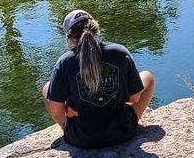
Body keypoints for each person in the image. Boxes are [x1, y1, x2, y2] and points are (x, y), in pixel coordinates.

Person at [42, 9, 155, 149]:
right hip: (123, 132)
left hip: (81, 139)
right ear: (96, 29)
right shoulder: (119, 52)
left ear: (69, 37)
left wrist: (70, 109)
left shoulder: (65, 62)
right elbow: (135, 98)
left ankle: (68, 129)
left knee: (47, 87)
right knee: (147, 77)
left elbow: (55, 110)